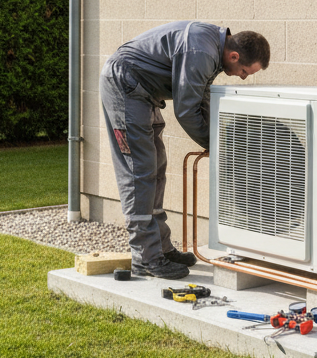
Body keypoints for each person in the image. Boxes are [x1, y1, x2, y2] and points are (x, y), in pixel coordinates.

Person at [100, 22, 271, 279]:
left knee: (156, 167)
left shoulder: (212, 48)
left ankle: (162, 248)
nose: (243, 77)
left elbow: (200, 98)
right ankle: (146, 258)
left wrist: (221, 139)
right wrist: (213, 145)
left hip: (141, 92)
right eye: (245, 71)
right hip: (125, 87)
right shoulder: (201, 51)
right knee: (139, 171)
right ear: (234, 56)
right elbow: (186, 109)